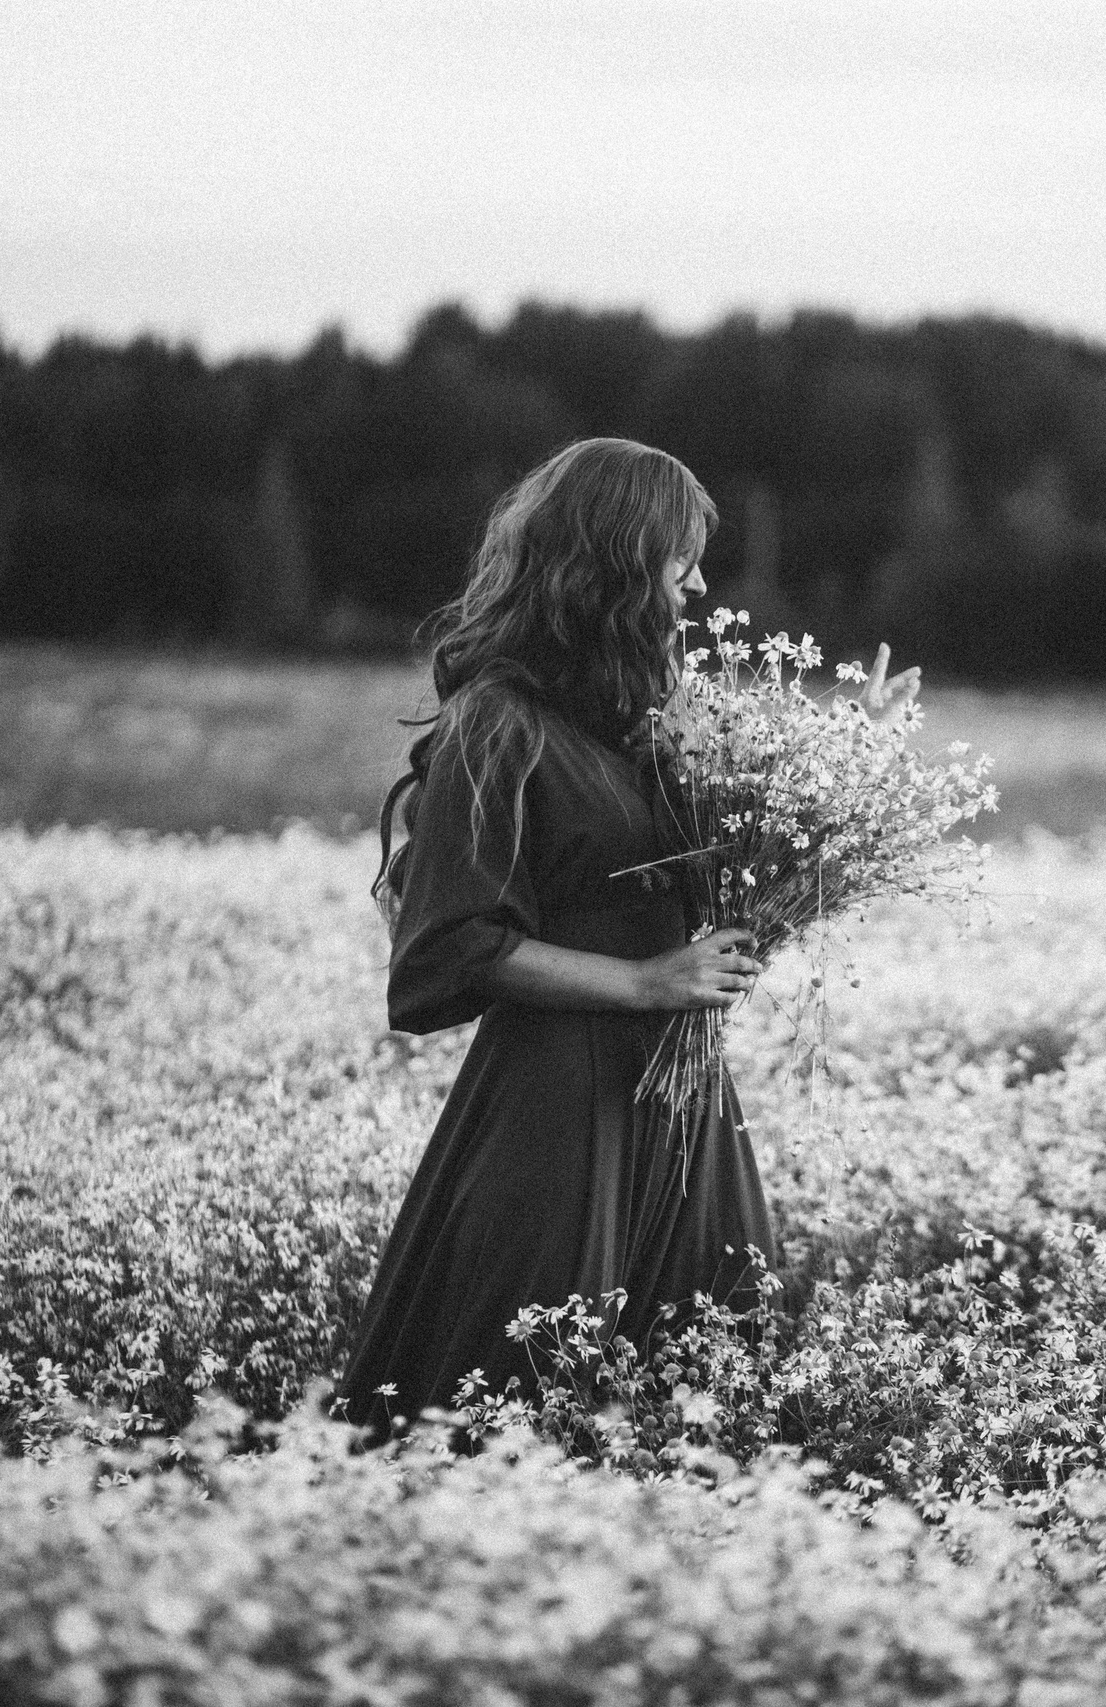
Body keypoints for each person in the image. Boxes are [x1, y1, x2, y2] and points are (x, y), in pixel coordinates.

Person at [335, 438, 916, 1437]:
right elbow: (445, 949)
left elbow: (688, 897)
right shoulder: (497, 725)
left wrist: (766, 903)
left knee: (709, 1370)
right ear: (613, 561)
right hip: (559, 1103)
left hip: (680, 1087)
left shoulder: (644, 727)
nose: (695, 583)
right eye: (677, 556)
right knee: (523, 1390)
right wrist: (647, 982)